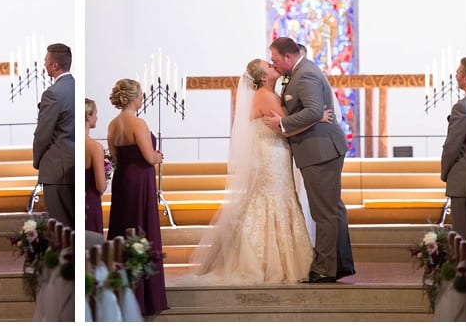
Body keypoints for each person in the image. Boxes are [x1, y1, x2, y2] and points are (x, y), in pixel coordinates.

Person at [189, 59, 334, 284]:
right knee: (271, 200)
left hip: (276, 154)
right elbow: (287, 127)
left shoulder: (271, 94)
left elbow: (285, 124)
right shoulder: (265, 97)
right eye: (269, 65)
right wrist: (318, 117)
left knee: (274, 199)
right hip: (271, 156)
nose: (273, 65)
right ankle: (269, 262)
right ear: (264, 77)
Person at [264, 36, 355, 283]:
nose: (274, 65)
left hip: (321, 151)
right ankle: (339, 264)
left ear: (288, 57)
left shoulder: (305, 74)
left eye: (275, 60)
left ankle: (325, 268)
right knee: (332, 209)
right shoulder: (300, 72)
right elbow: (314, 112)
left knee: (323, 212)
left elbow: (314, 110)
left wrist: (281, 123)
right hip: (320, 149)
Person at [106, 78, 168, 317]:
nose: (142, 98)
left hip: (123, 180)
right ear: (134, 97)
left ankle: (123, 291)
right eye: (141, 95)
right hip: (140, 180)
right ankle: (146, 297)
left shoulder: (112, 124)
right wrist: (159, 155)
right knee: (142, 228)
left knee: (123, 227)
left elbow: (114, 158)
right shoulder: (138, 123)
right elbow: (149, 157)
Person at [32, 43, 75, 229]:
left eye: (46, 62)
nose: (44, 65)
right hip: (74, 166)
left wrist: (37, 161)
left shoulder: (53, 93)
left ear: (55, 66)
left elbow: (43, 133)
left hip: (57, 170)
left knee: (62, 228)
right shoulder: (76, 88)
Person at [441, 56, 466, 241]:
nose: (455, 75)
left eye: (458, 72)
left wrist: (444, 173)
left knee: (464, 241)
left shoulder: (463, 106)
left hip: (465, 182)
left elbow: (452, 146)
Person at [85, 98, 105, 234]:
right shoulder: (95, 147)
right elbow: (101, 186)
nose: (97, 117)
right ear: (88, 116)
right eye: (95, 114)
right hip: (89, 201)